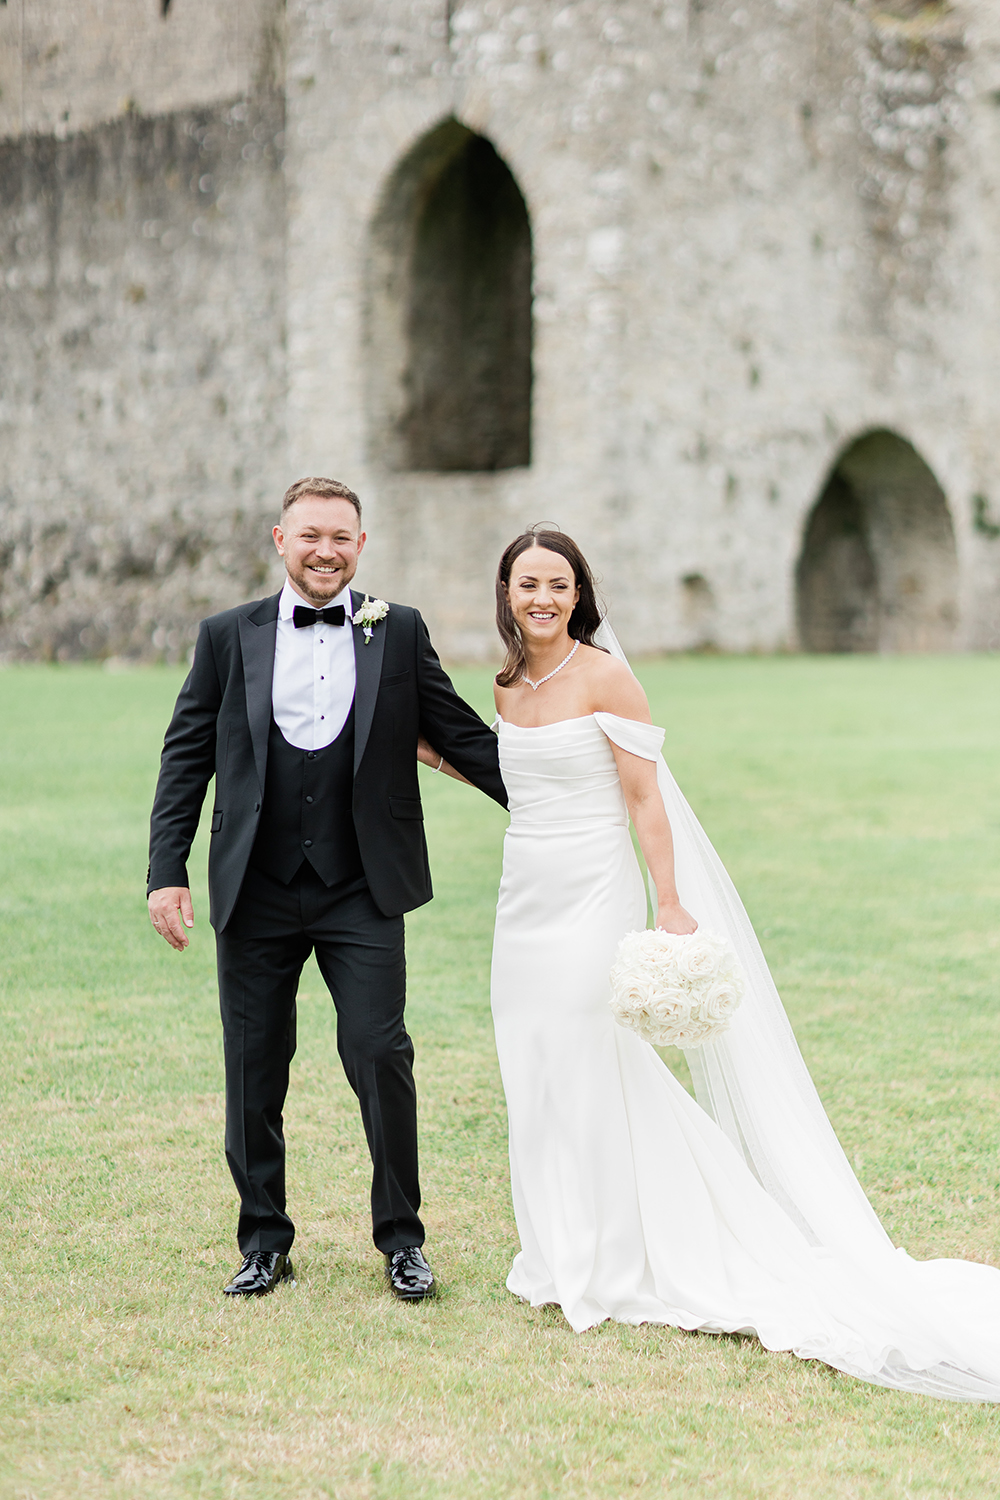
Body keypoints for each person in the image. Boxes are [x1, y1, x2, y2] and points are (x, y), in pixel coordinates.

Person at [427, 526, 1000, 1400]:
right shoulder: (505, 684)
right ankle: (556, 1247)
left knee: (590, 1060)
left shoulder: (605, 675)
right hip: (522, 901)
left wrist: (669, 901)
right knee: (531, 1061)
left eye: (557, 584)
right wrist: (430, 754)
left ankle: (620, 1255)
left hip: (592, 895)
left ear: (578, 594)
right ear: (505, 592)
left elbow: (645, 798)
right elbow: (521, 782)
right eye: (526, 584)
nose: (541, 598)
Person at [146, 477, 506, 1301]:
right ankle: (264, 1241)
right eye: (310, 535)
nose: (325, 551)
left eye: (341, 537)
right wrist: (167, 871)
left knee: (381, 1055)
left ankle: (403, 1241)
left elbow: (459, 734)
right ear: (281, 540)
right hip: (255, 886)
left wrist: (558, 798)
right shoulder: (226, 636)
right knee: (253, 1066)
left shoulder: (397, 629)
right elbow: (185, 756)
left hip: (361, 887)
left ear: (361, 545)